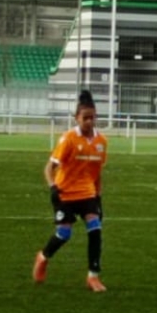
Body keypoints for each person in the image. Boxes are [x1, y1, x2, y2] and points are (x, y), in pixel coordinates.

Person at [36, 90, 109, 291]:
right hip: (65, 193)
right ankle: (43, 257)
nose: (89, 122)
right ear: (76, 118)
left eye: (92, 118)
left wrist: (98, 198)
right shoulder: (68, 139)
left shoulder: (101, 142)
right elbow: (49, 168)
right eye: (85, 118)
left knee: (95, 230)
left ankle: (93, 276)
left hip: (87, 194)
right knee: (64, 234)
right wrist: (53, 188)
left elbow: (97, 173)